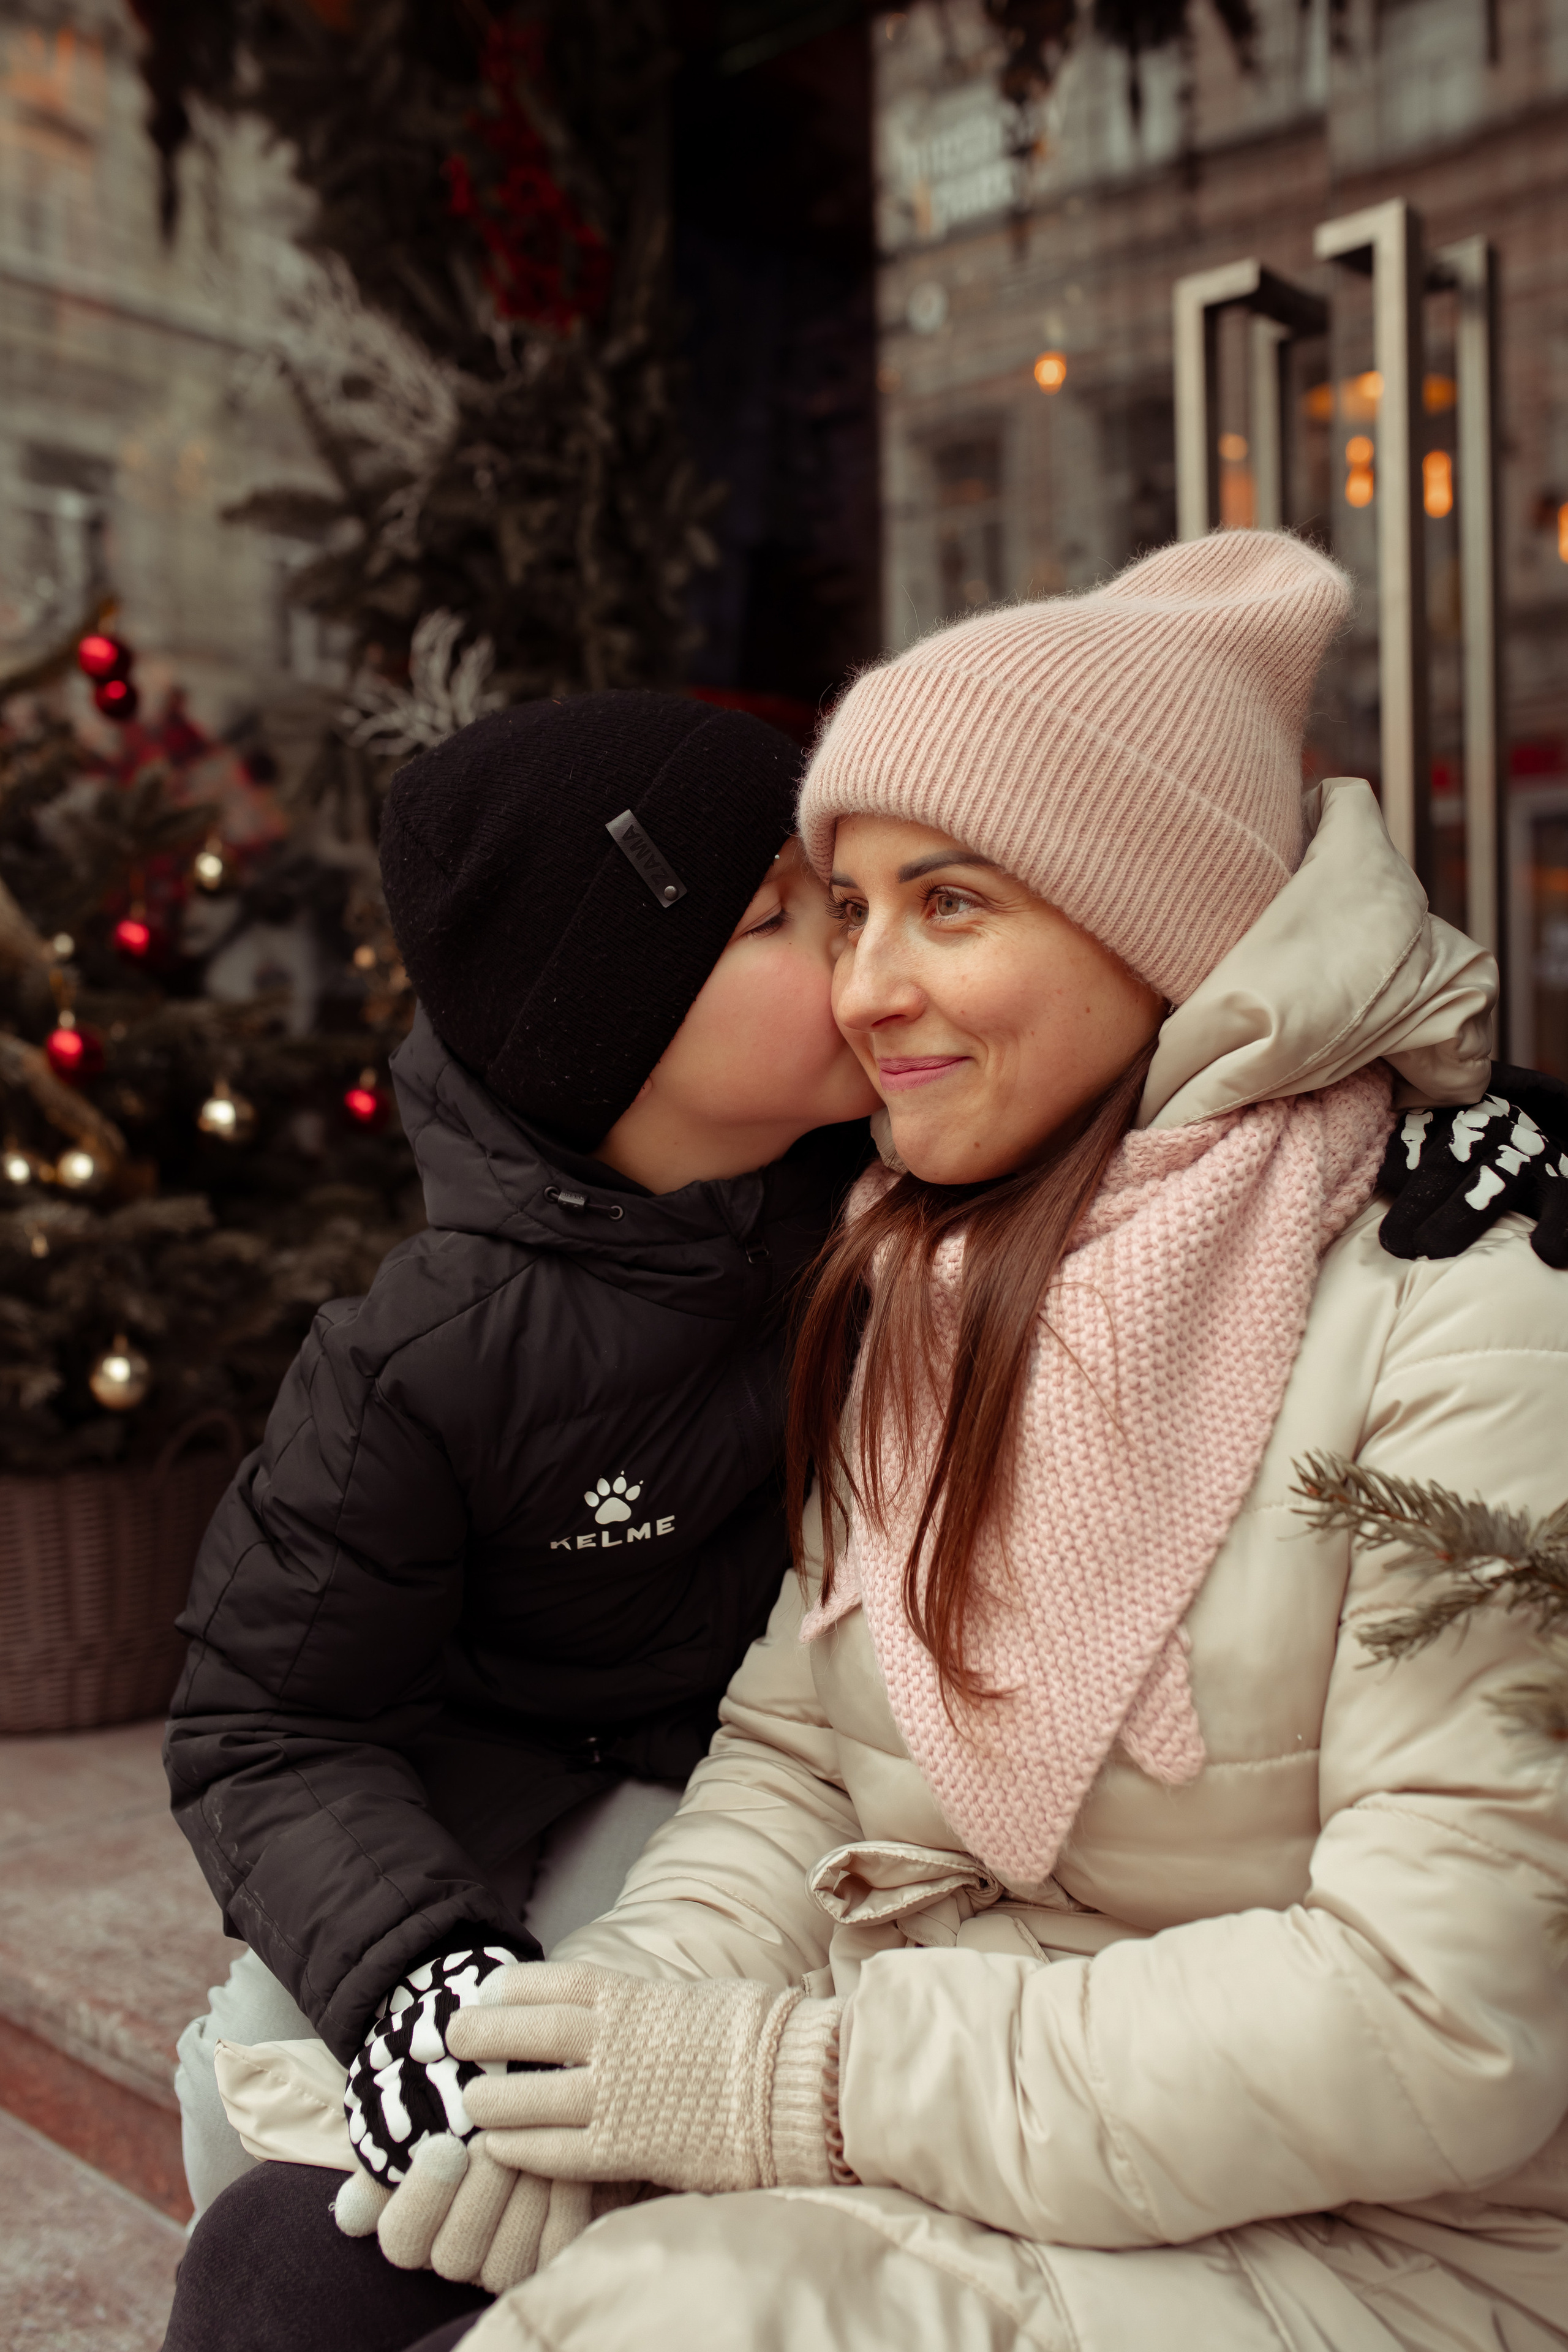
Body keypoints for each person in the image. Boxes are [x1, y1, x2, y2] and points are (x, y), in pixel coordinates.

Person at [363, 531, 1566, 2352]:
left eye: (950, 904)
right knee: (311, 2267)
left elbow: (1437, 2012)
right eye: (848, 911)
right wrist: (598, 2047)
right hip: (975, 2116)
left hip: (1383, 2234)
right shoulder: (920, 1269)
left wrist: (798, 2085)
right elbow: (794, 1762)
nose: (863, 990)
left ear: (1155, 917)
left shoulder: (1467, 1301)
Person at [162, 690, 876, 2236]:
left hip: (738, 1798)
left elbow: (1182, 1089)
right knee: (274, 2071)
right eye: (779, 914)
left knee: (595, 2075)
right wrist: (417, 1961)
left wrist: (1489, 1118)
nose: (860, 935)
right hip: (474, 1794)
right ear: (614, 1034)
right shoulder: (417, 1360)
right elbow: (267, 1719)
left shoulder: (905, 1195)